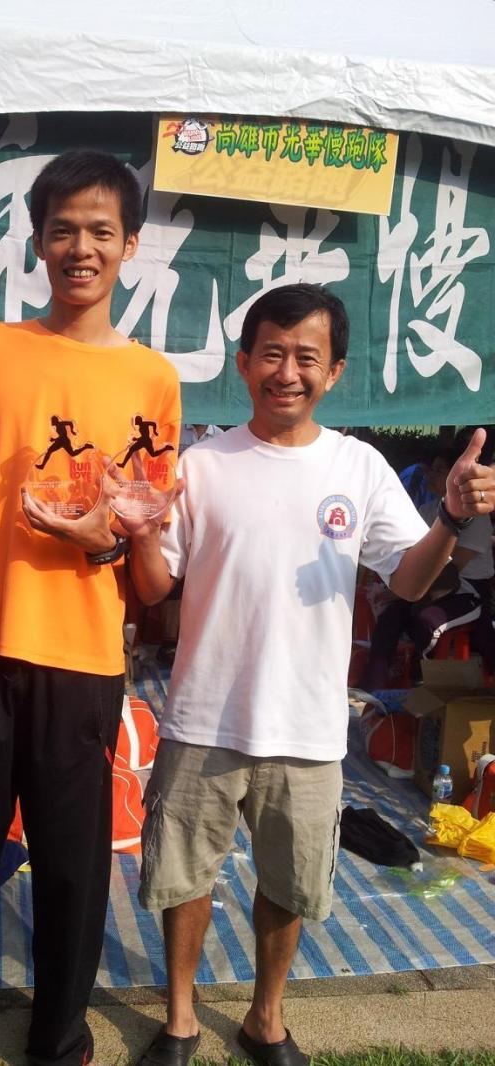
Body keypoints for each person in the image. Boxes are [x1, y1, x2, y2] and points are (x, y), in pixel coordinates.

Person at [126, 283, 495, 1066]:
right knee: (184, 879)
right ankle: (181, 1017)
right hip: (202, 718)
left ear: (334, 372)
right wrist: (137, 528)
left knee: (290, 883)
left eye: (306, 357)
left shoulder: (357, 467)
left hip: (308, 727)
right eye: (271, 353)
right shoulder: (202, 464)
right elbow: (155, 588)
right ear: (243, 363)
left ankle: (265, 1018)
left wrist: (452, 519)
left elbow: (408, 581)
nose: (286, 372)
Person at [0, 149, 181, 1066]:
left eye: (100, 231)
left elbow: (142, 519)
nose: (80, 248)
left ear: (130, 245)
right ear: (37, 240)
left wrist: (100, 537)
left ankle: (59, 1041)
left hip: (85, 655)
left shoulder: (153, 378)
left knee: (72, 869)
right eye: (63, 230)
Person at [363, 440, 495, 687]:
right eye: (431, 469)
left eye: (439, 470)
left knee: (426, 622)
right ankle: (374, 686)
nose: (430, 475)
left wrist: (403, 590)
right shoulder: (425, 510)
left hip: (466, 592)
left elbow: (452, 568)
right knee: (389, 619)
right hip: (427, 587)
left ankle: (421, 682)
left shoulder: (475, 514)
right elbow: (410, 554)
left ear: (456, 474)